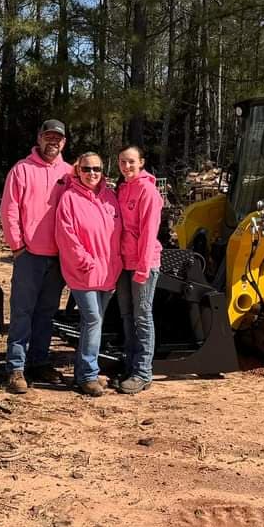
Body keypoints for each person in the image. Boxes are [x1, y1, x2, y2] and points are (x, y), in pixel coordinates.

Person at [0, 119, 74, 394]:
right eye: (48, 136)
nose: (52, 141)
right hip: (29, 255)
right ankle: (16, 368)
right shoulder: (21, 170)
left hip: (58, 257)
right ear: (39, 138)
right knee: (22, 311)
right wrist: (18, 247)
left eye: (58, 138)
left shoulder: (70, 173)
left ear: (64, 142)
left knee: (47, 312)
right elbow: (9, 210)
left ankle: (39, 362)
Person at [54, 152, 122, 396]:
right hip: (83, 273)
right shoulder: (69, 199)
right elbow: (66, 235)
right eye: (86, 169)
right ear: (78, 171)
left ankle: (87, 369)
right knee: (92, 319)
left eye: (96, 169)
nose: (91, 173)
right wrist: (84, 261)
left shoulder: (110, 197)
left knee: (95, 322)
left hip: (108, 272)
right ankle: (87, 376)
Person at [115, 145, 164, 394]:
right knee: (126, 315)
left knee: (142, 316)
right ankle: (130, 364)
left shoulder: (148, 191)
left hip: (143, 263)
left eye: (131, 162)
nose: (126, 166)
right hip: (124, 263)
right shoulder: (122, 189)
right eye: (122, 162)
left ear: (141, 162)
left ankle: (143, 372)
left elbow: (148, 233)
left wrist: (143, 268)